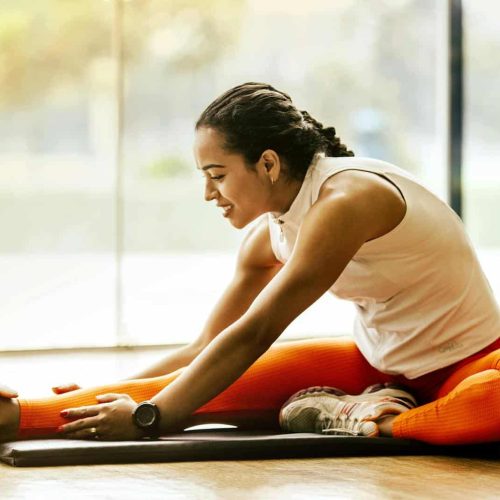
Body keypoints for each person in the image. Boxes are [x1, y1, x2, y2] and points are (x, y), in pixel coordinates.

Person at [1, 82, 500, 445]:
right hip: (376, 364)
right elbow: (205, 348)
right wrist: (105, 394)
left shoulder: (346, 201)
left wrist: (150, 417)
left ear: (268, 163)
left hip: (473, 362)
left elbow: (257, 330)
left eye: (217, 174)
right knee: (198, 391)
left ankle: (380, 420)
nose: (207, 193)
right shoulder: (270, 233)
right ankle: (10, 416)